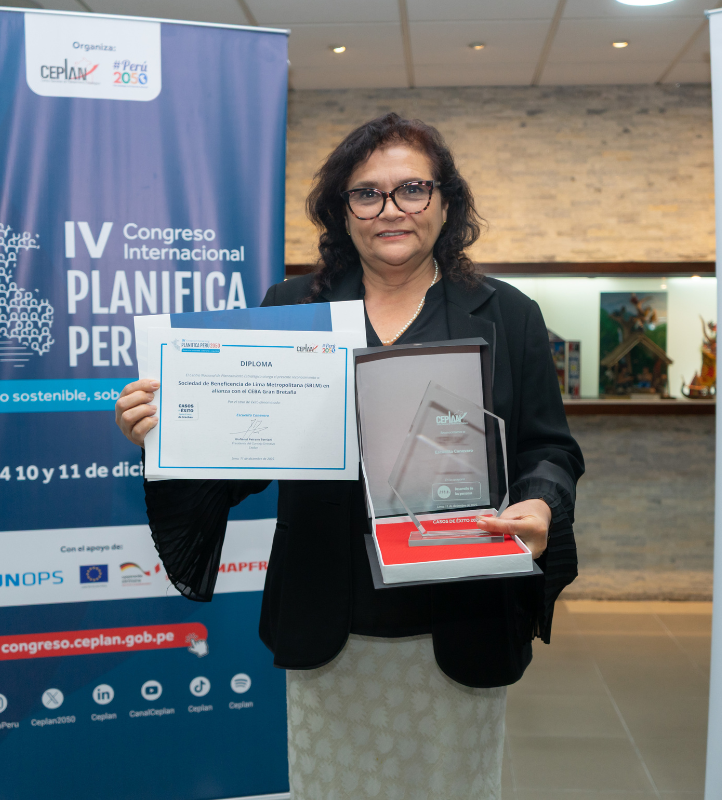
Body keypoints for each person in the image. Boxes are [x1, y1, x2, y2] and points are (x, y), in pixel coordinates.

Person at [115, 113, 584, 799]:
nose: (391, 209)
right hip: (329, 621)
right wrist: (168, 436)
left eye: (412, 189)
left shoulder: (507, 315)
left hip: (464, 617)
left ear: (446, 203)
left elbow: (549, 446)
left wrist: (540, 502)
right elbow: (243, 459)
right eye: (367, 193)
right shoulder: (290, 309)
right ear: (342, 211)